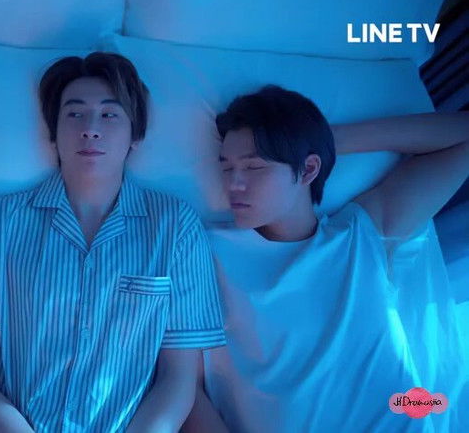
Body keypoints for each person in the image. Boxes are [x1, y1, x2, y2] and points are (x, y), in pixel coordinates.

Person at [0, 52, 226, 432]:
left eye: (109, 114)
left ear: (135, 135)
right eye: (74, 113)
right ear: (53, 133)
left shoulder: (177, 228)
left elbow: (179, 379)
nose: (90, 128)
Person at [184, 85, 469, 432]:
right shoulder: (203, 248)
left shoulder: (360, 235)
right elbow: (184, 383)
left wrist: (320, 141)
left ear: (308, 170)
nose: (234, 183)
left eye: (254, 166)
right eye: (227, 168)